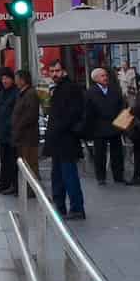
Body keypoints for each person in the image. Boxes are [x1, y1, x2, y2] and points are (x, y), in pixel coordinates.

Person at [43, 62, 90, 219]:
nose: (54, 74)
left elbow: (72, 113)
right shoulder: (58, 88)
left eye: (57, 71)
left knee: (68, 175)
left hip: (66, 139)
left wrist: (60, 128)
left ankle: (76, 207)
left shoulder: (70, 88)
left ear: (63, 71)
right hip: (59, 139)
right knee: (58, 175)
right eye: (52, 71)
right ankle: (60, 206)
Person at [85, 66, 126, 185]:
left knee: (117, 153)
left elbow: (121, 105)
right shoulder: (91, 92)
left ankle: (118, 176)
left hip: (115, 126)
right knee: (100, 154)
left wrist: (120, 121)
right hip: (99, 127)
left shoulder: (114, 90)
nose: (105, 78)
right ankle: (101, 177)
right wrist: (89, 128)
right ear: (96, 78)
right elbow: (88, 111)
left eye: (106, 75)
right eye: (102, 76)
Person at [0, 68, 19, 195]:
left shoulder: (15, 93)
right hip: (2, 132)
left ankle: (13, 185)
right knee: (4, 160)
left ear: (12, 79)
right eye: (3, 78)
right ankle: (3, 183)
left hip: (11, 133)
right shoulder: (3, 92)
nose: (4, 81)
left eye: (7, 78)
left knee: (12, 161)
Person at [11, 69, 41, 190]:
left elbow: (31, 115)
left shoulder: (30, 94)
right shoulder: (22, 93)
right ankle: (28, 188)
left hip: (28, 136)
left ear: (23, 80)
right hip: (22, 135)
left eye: (17, 79)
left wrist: (19, 126)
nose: (15, 81)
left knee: (30, 163)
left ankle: (33, 189)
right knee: (25, 162)